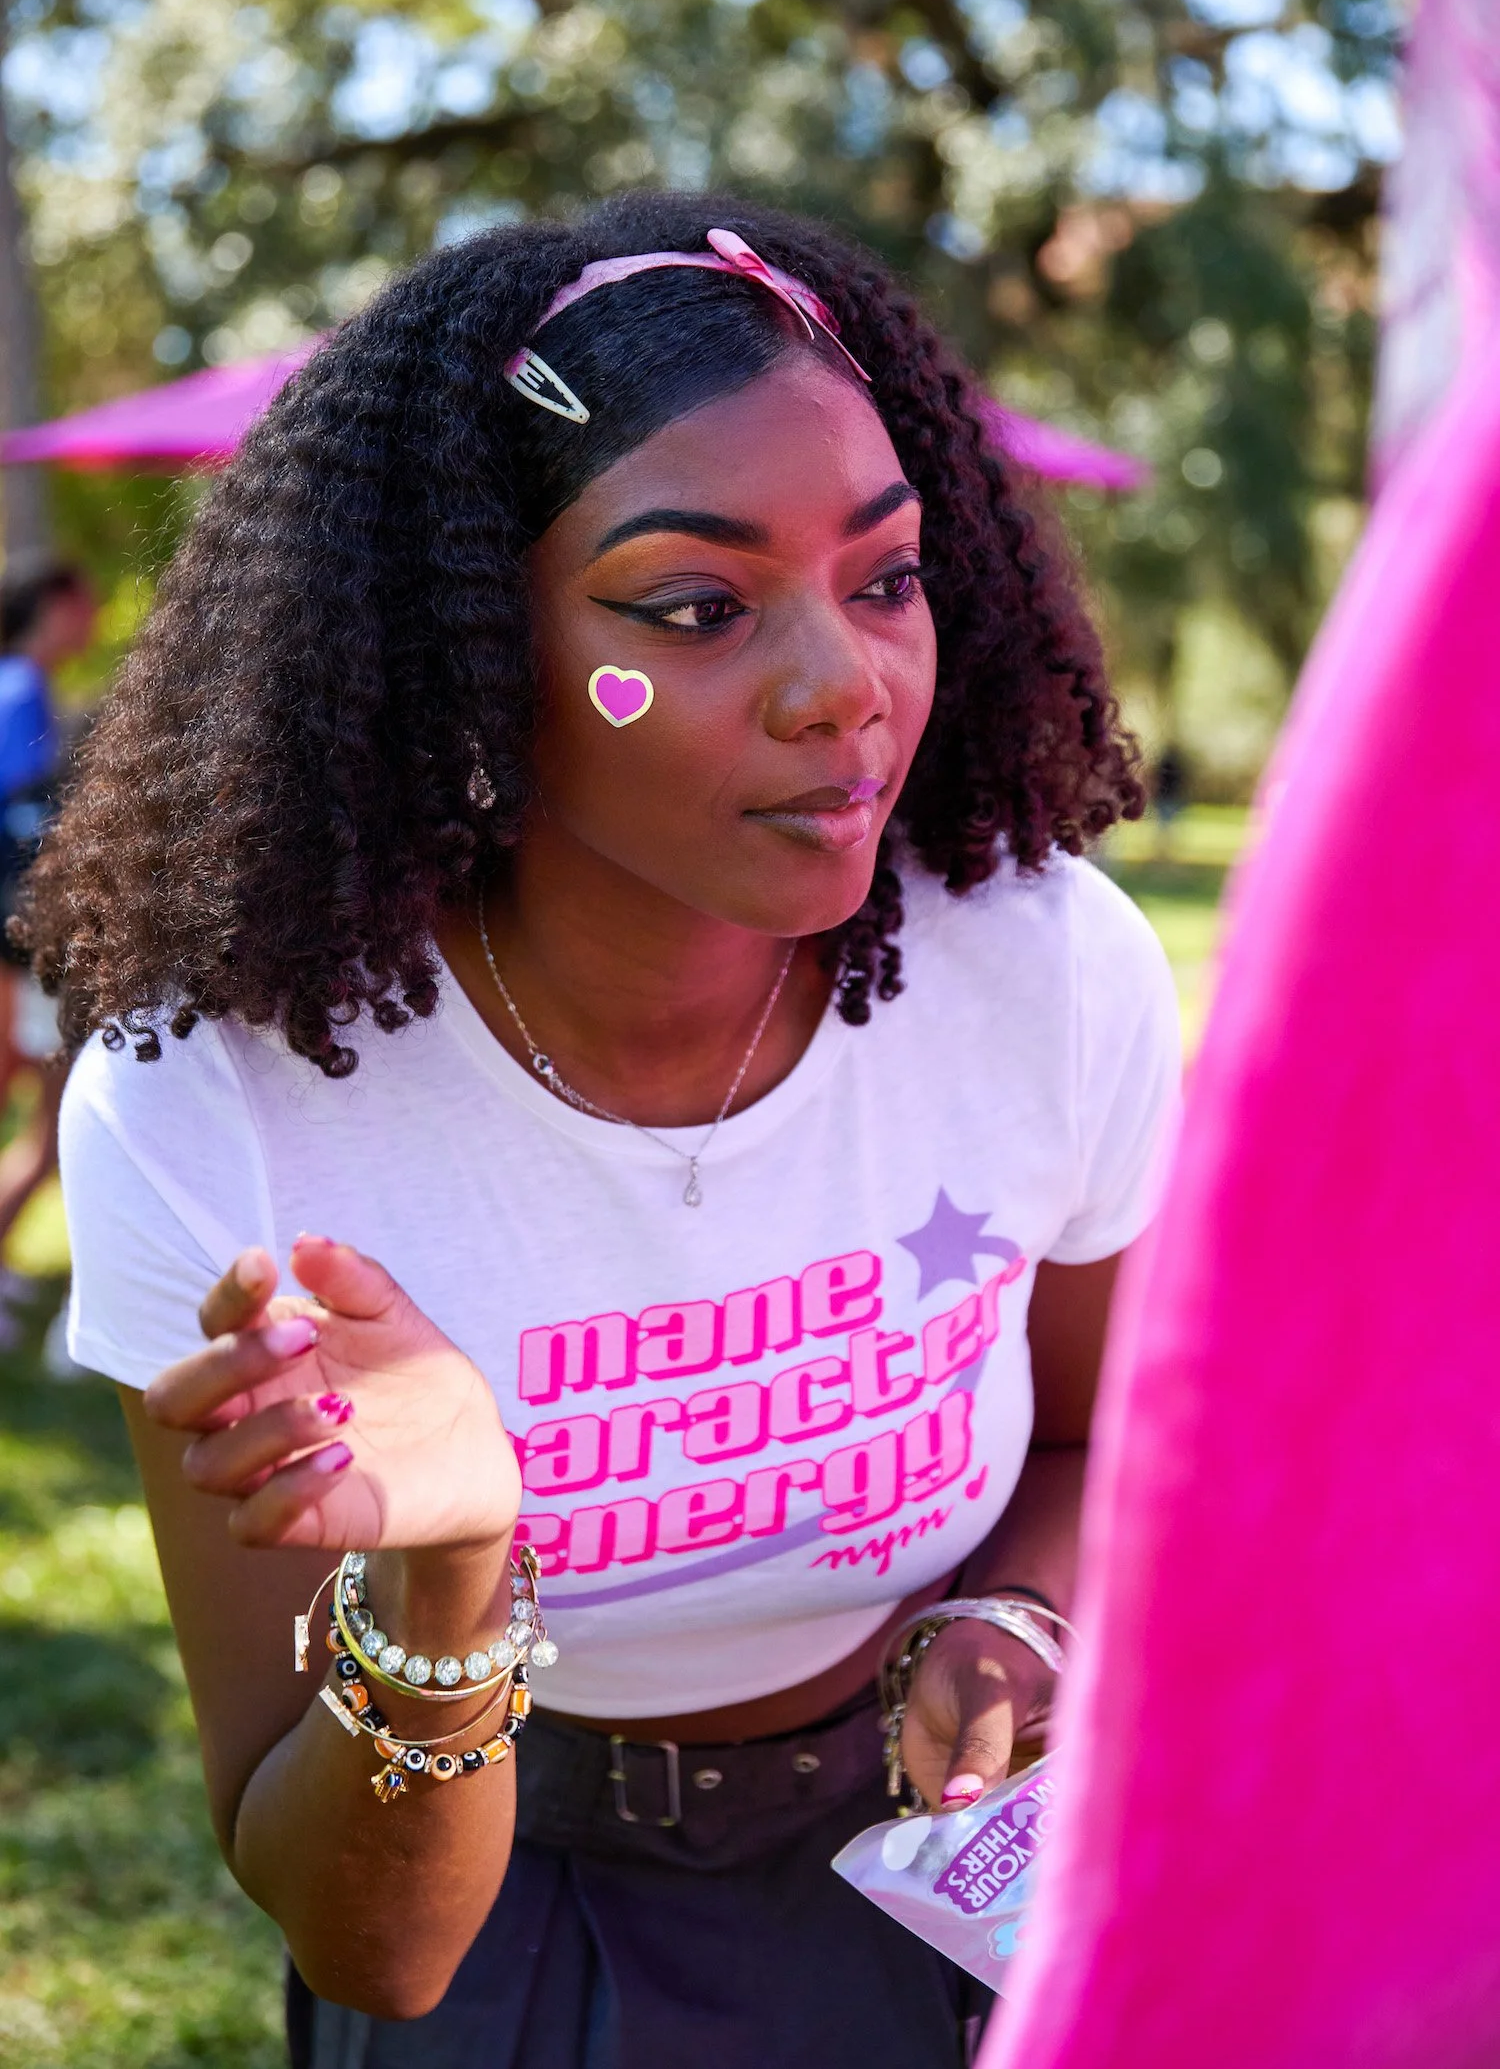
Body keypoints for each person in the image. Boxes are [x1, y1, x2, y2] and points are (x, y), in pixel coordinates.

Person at [22, 195, 1179, 2069]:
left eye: (885, 577)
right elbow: (373, 1948)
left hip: (926, 1868)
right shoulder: (221, 1103)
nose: (846, 685)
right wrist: (454, 1574)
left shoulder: (1040, 976)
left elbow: (1097, 1432)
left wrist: (1024, 1622)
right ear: (475, 655)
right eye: (696, 607)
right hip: (499, 1875)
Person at [0, 554, 96, 1344]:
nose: (92, 620)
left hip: (23, 949)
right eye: (84, 603)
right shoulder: (19, 695)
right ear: (55, 608)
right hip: (22, 948)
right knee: (53, 1124)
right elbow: (28, 840)